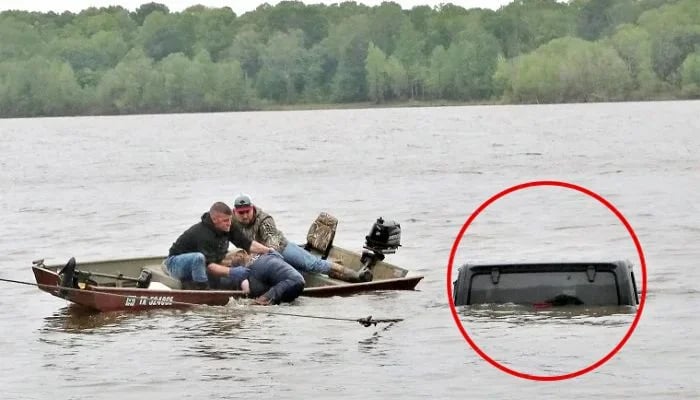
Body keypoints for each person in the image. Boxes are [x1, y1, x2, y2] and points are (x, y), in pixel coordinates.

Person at [231, 194, 371, 282]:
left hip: (281, 248)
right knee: (302, 272)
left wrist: (255, 259)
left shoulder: (264, 220)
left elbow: (272, 244)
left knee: (312, 265)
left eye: (247, 212)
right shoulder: (232, 221)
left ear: (252, 208)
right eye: (241, 213)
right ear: (234, 212)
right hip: (261, 256)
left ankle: (354, 275)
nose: (244, 216)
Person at [166, 201, 272, 289]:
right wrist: (231, 272)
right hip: (176, 263)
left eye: (230, 219)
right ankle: (202, 290)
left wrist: (269, 251)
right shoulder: (203, 234)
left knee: (240, 255)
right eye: (226, 220)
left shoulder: (228, 226)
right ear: (214, 220)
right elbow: (209, 266)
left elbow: (248, 244)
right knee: (198, 258)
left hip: (206, 262)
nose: (229, 223)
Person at [222, 249, 305, 305]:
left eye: (230, 264)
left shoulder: (250, 271)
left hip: (291, 282)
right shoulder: (267, 255)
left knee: (254, 303)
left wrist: (264, 298)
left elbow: (252, 291)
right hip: (297, 281)